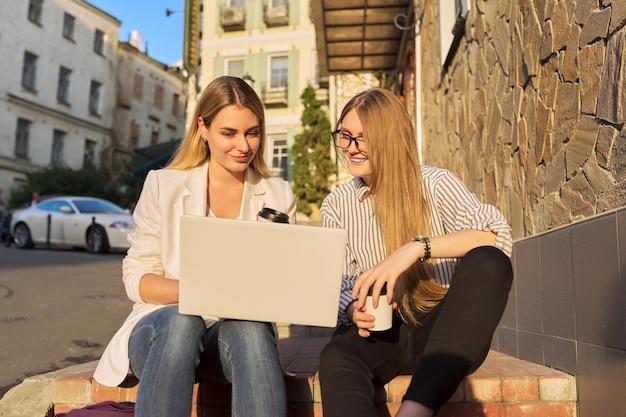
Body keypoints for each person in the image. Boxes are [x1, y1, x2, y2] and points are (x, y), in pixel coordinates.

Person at [94, 76, 296, 417]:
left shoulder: (278, 194)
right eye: (229, 133)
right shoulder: (163, 185)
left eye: (252, 132)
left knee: (250, 325)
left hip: (232, 346)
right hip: (162, 337)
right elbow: (137, 278)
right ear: (202, 127)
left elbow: (283, 282)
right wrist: (200, 292)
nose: (244, 146)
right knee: (181, 322)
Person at [318, 88, 513, 417]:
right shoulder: (337, 204)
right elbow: (333, 282)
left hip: (446, 331)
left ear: (390, 138)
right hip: (382, 331)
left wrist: (416, 249)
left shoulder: (435, 183)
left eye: (363, 138)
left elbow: (497, 237)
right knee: (337, 356)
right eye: (345, 135)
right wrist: (352, 309)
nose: (351, 148)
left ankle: (415, 411)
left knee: (490, 261)